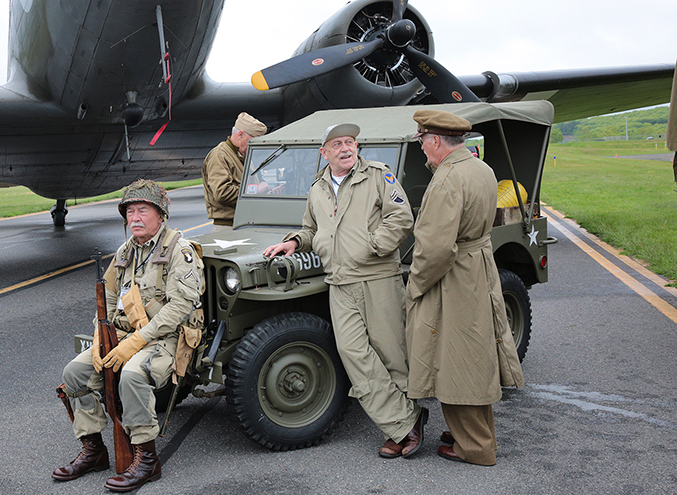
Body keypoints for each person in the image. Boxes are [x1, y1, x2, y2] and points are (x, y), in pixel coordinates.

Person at [264, 123, 427, 459]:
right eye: (337, 144)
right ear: (324, 152)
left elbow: (401, 217)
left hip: (378, 277)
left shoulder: (379, 176)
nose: (346, 148)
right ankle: (405, 421)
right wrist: (294, 242)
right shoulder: (318, 188)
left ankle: (401, 427)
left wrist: (373, 246)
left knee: (391, 353)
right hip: (339, 282)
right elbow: (311, 229)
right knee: (355, 355)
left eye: (350, 142)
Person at [52, 179, 203, 491]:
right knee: (76, 373)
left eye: (142, 210)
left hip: (166, 338)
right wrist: (98, 337)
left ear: (160, 215)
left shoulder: (180, 251)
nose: (135, 217)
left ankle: (147, 460)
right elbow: (107, 298)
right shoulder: (126, 251)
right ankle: (94, 450)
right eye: (130, 211)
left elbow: (180, 306)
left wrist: (137, 341)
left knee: (132, 374)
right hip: (122, 333)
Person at [404, 109, 524, 466]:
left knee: (455, 360)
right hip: (478, 268)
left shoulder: (447, 179)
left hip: (455, 276)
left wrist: (415, 284)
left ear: (436, 141)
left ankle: (475, 447)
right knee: (475, 353)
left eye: (424, 142)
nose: (423, 149)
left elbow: (436, 247)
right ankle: (475, 434)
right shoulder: (479, 168)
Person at [202, 112, 268, 230]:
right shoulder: (220, 155)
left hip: (245, 224)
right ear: (241, 134)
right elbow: (222, 193)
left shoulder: (244, 157)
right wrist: (255, 190)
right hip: (228, 227)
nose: (255, 147)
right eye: (252, 142)